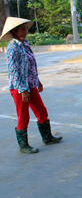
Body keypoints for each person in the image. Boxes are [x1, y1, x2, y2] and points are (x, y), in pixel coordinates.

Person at [1, 17, 63, 154]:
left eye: (25, 28)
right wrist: (23, 90)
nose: (25, 30)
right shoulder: (12, 47)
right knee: (24, 116)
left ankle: (47, 137)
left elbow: (30, 66)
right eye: (22, 29)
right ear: (15, 32)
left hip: (31, 85)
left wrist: (37, 80)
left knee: (42, 111)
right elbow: (14, 71)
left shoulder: (25, 44)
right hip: (19, 88)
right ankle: (24, 146)